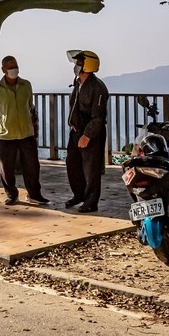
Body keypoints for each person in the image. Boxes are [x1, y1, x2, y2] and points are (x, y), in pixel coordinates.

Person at [0, 55, 48, 206]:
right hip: (6, 135)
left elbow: (29, 105)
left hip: (26, 133)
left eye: (15, 66)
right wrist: (3, 122)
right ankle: (12, 194)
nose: (14, 69)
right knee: (6, 168)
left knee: (32, 165)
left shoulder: (26, 85)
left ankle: (35, 194)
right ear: (3, 70)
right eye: (10, 67)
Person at [65, 50, 109, 213]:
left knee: (91, 170)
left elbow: (98, 117)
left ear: (88, 66)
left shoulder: (97, 87)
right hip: (76, 131)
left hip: (90, 134)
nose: (76, 66)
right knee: (73, 165)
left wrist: (87, 135)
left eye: (79, 63)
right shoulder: (77, 83)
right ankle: (79, 195)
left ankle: (91, 202)